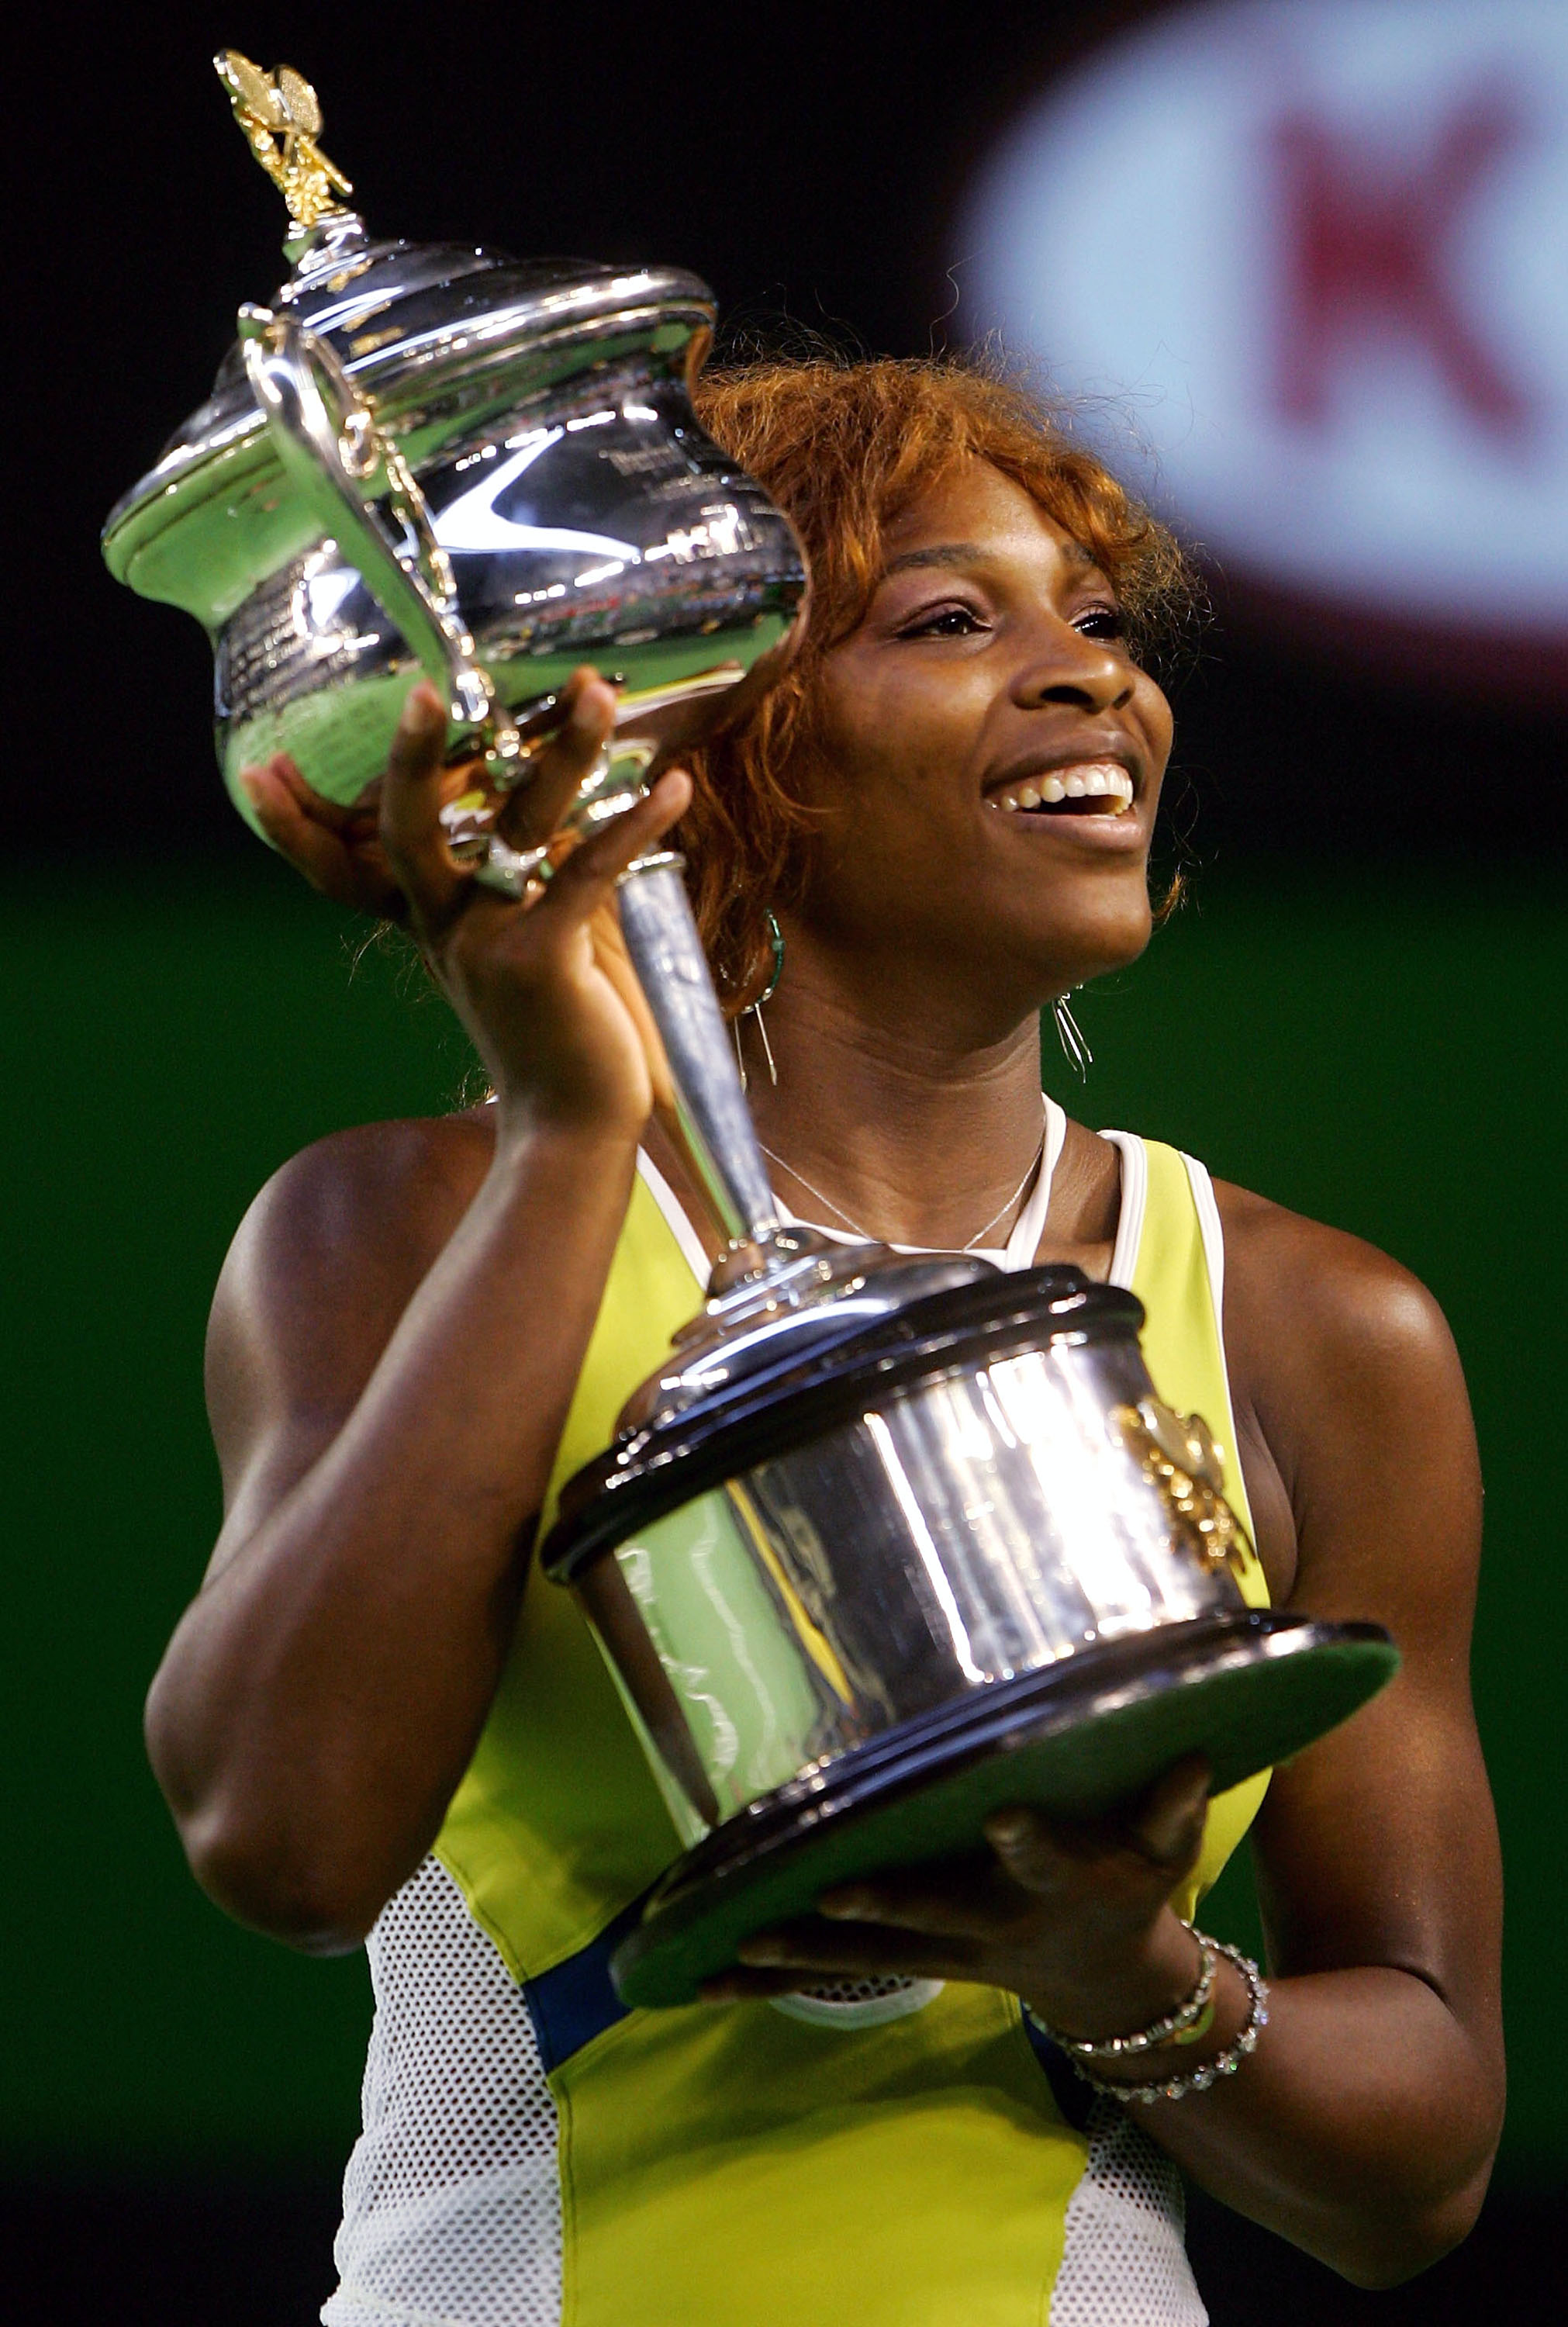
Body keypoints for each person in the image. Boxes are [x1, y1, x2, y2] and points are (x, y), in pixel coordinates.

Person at [143, 361, 1503, 2327]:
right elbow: (281, 1841)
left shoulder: (1322, 1331)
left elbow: (1424, 2166)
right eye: (952, 620)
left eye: (1101, 623)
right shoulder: (409, 1225)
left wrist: (1122, 1974)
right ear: (716, 736)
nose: (1087, 678)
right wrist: (568, 1135)